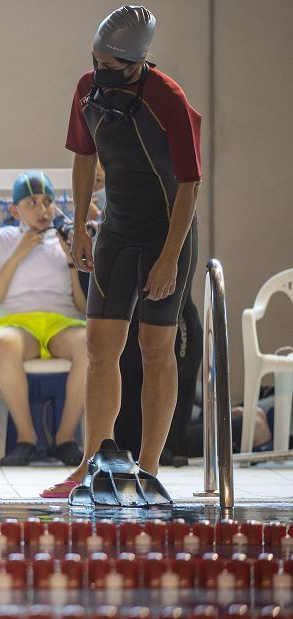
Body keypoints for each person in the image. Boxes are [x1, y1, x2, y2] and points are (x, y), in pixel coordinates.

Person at [42, 5, 202, 498]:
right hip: (116, 230)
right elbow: (84, 157)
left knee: (155, 350)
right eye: (97, 62)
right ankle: (92, 466)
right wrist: (83, 227)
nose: (103, 74)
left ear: (138, 61)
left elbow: (189, 185)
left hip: (166, 233)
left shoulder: (168, 98)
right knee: (98, 349)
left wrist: (170, 258)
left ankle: (149, 468)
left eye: (114, 67)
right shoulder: (86, 89)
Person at [0, 171, 87, 467]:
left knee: (91, 344)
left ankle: (65, 440)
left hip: (62, 322)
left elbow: (84, 305)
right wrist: (18, 253)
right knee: (1, 343)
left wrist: (73, 260)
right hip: (16, 323)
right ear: (14, 210)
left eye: (48, 201)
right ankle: (27, 439)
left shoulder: (67, 241)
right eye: (32, 202)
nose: (42, 209)